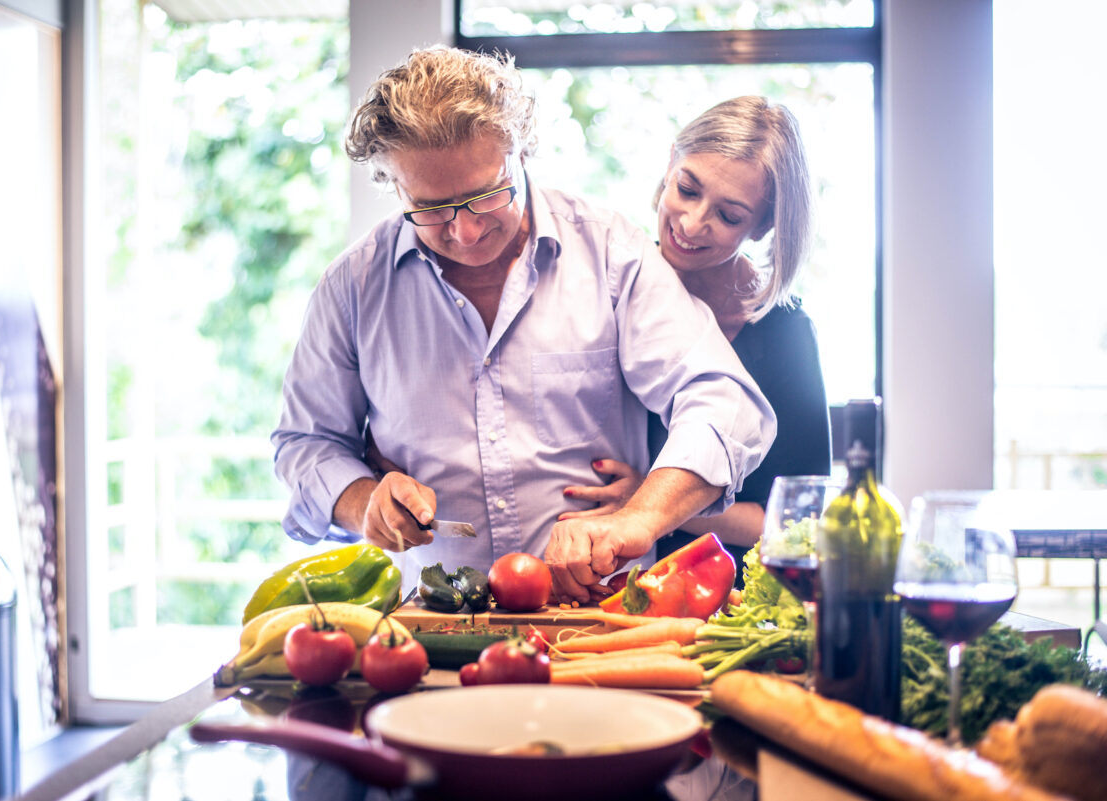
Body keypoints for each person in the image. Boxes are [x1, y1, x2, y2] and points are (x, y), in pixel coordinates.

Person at [271, 47, 776, 604]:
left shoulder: (612, 255)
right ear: (395, 185)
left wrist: (639, 519)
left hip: (605, 619)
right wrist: (362, 500)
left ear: (522, 150)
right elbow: (306, 443)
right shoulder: (353, 287)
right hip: (427, 626)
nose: (464, 232)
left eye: (487, 195)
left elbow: (724, 400)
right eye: (432, 208)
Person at [560, 96, 832, 568]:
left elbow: (798, 524)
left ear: (765, 226)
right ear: (671, 164)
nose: (691, 223)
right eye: (687, 189)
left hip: (730, 598)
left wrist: (651, 507)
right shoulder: (607, 289)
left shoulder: (785, 335)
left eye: (729, 216)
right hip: (605, 581)